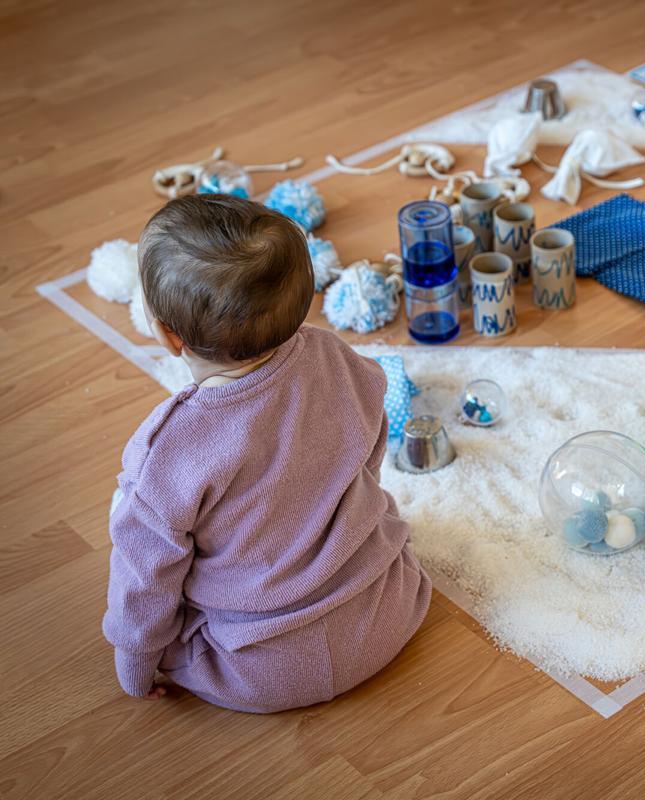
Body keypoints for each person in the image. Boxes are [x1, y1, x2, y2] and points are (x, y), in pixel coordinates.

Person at [103, 193, 431, 712]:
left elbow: (144, 578)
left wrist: (136, 662)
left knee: (134, 520)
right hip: (390, 608)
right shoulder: (336, 357)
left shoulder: (167, 448)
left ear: (166, 335)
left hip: (260, 670)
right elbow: (370, 445)